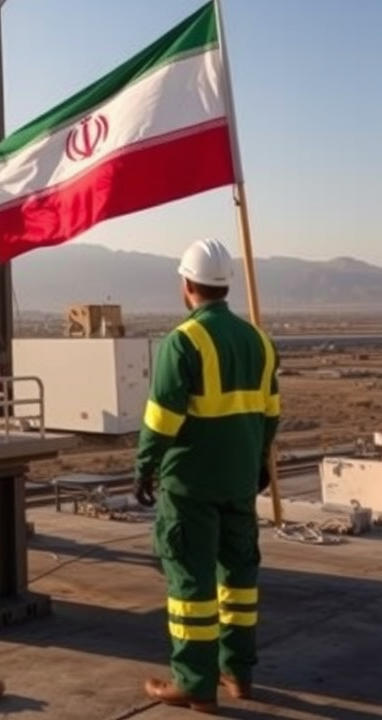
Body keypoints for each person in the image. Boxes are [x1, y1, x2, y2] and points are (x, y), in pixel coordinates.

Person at [135, 238, 280, 714]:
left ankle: (195, 684)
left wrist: (144, 467)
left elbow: (161, 419)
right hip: (240, 482)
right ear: (225, 286)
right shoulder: (259, 341)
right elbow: (270, 414)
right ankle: (238, 673)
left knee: (191, 585)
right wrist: (258, 461)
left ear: (187, 285)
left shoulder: (184, 342)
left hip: (190, 487)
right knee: (238, 580)